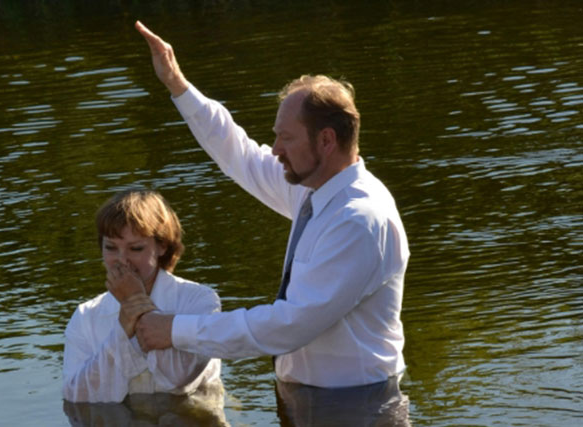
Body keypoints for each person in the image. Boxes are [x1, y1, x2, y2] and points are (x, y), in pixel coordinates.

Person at [134, 21, 410, 394]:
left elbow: (289, 326)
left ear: (326, 141)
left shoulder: (358, 219)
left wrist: (175, 329)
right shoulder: (313, 189)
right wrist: (177, 85)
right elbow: (238, 152)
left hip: (357, 406)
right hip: (312, 400)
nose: (276, 149)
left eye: (286, 137)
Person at [61, 190, 223, 406]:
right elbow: (76, 397)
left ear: (162, 246)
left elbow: (179, 380)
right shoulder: (86, 316)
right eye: (110, 247)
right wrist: (122, 332)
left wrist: (137, 305)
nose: (122, 260)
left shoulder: (199, 301)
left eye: (135, 248)